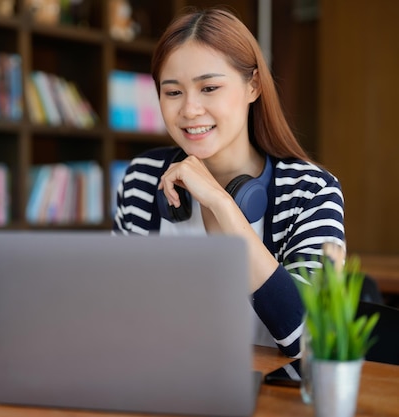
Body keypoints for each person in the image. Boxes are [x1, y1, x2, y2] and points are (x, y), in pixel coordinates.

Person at [112, 7, 345, 357]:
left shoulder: (311, 192)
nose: (190, 110)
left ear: (252, 86)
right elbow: (117, 314)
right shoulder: (143, 179)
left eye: (209, 88)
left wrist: (221, 203)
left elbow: (308, 340)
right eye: (172, 92)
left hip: (271, 401)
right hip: (159, 387)